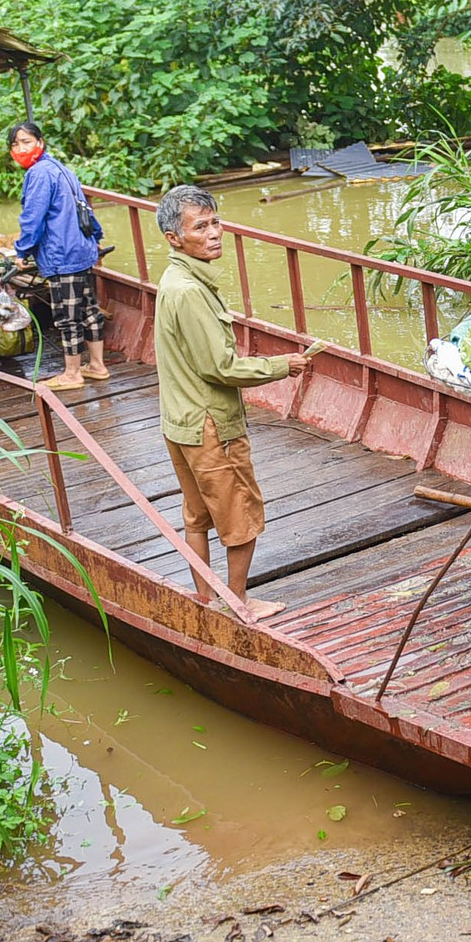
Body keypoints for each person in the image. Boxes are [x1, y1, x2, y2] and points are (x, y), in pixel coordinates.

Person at [154, 185, 311, 623]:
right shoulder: (188, 290)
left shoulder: (177, 280)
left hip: (180, 421)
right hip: (210, 425)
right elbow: (220, 367)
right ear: (174, 238)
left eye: (216, 222)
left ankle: (207, 599)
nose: (215, 233)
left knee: (197, 516)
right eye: (200, 227)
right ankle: (238, 603)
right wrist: (282, 365)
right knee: (240, 516)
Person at [9, 121, 109, 391]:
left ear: (40, 143)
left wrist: (22, 251)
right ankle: (97, 365)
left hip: (61, 253)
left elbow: (33, 218)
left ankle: (72, 373)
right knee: (89, 310)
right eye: (15, 144)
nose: (21, 148)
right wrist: (96, 238)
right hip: (81, 249)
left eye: (26, 142)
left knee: (68, 315)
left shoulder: (39, 174)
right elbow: (85, 208)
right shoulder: (61, 169)